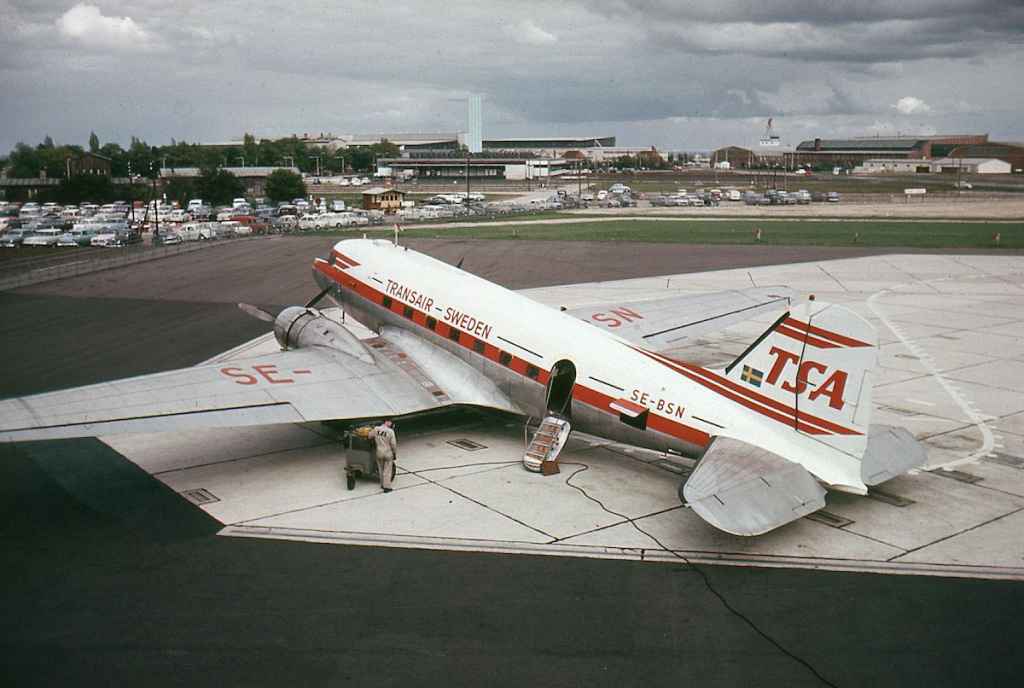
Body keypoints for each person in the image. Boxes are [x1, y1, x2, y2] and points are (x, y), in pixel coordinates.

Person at [373, 420, 397, 492]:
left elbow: (369, 436)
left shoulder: (376, 429)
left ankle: (382, 485)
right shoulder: (390, 431)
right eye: (391, 422)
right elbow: (393, 444)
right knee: (387, 470)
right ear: (387, 422)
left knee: (381, 469)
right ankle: (387, 487)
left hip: (379, 452)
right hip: (387, 453)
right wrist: (394, 453)